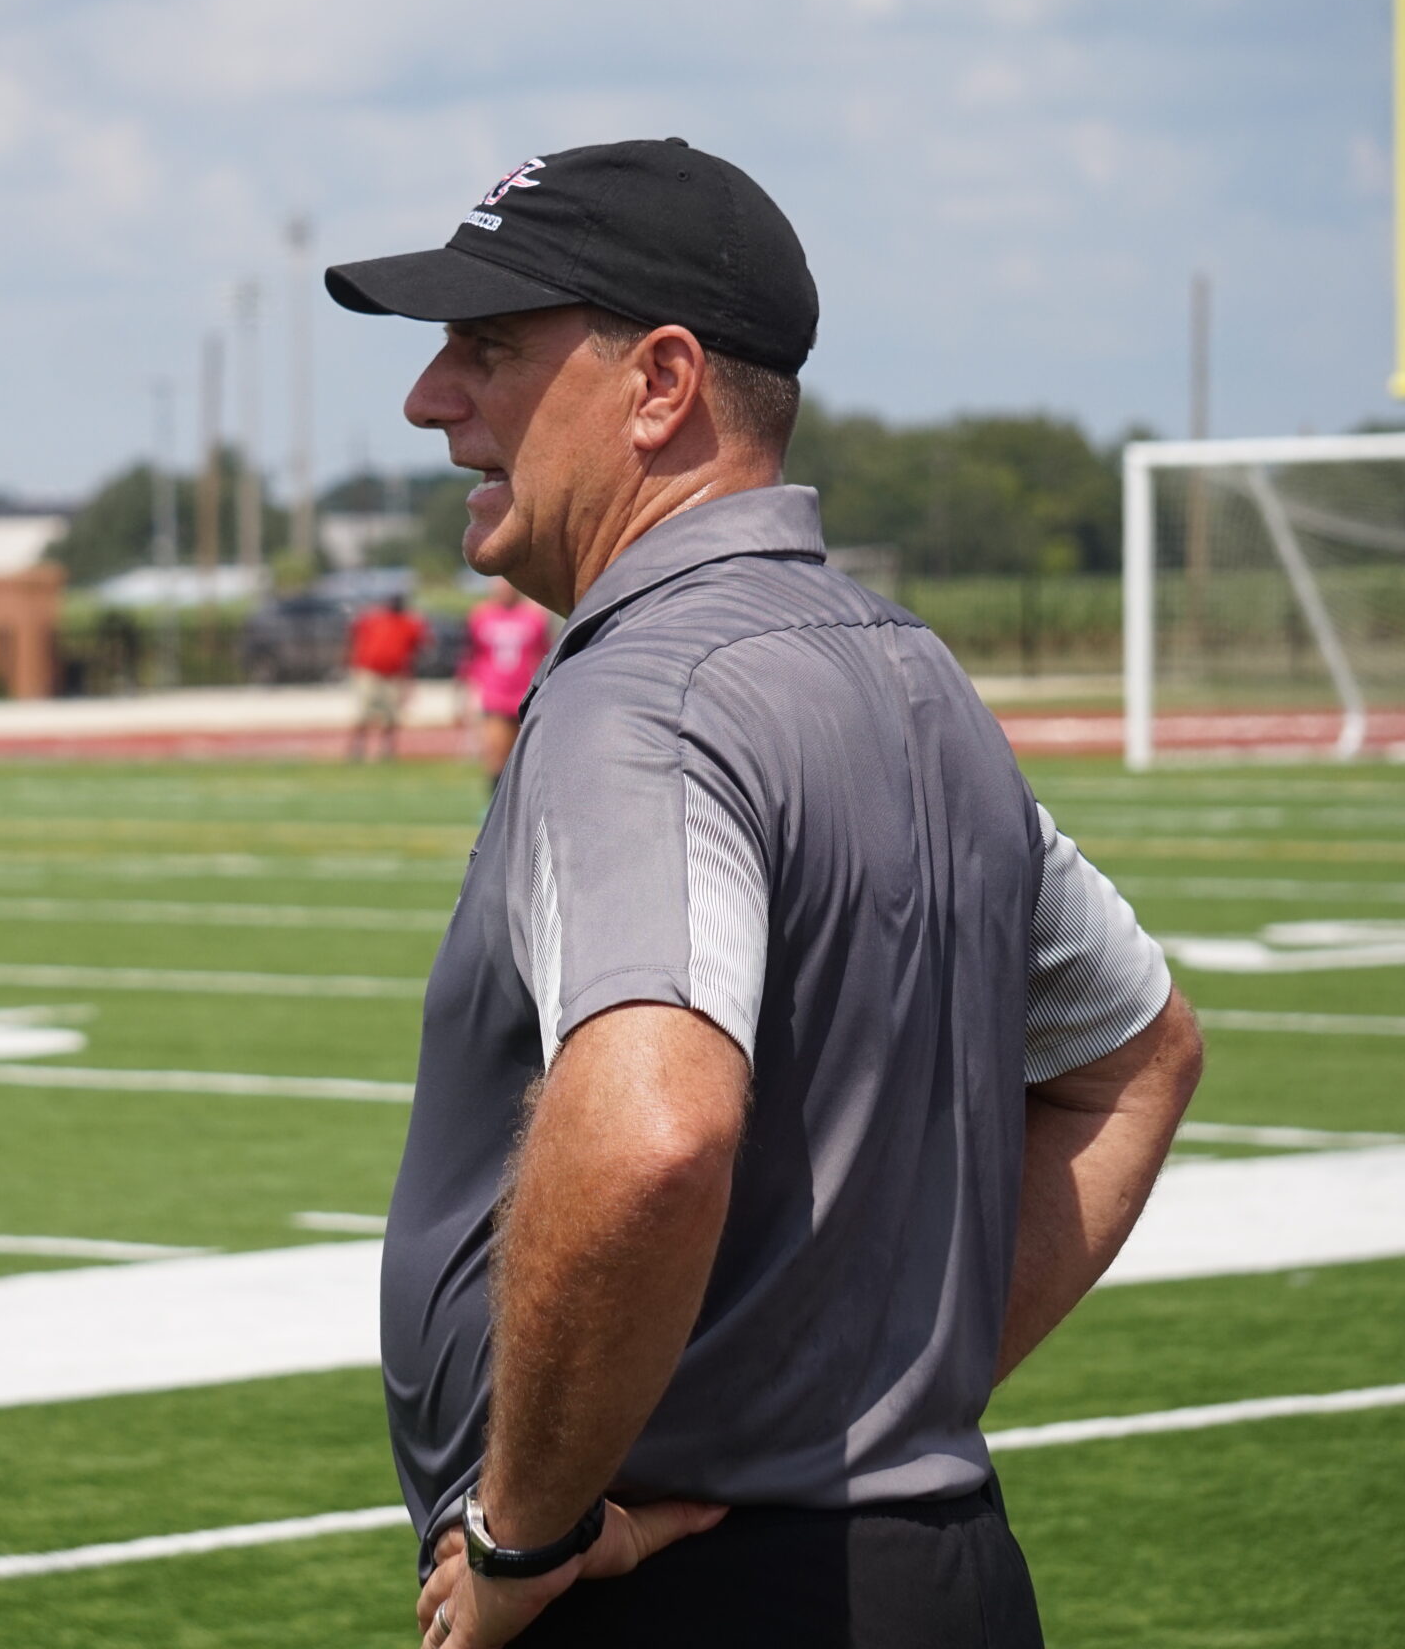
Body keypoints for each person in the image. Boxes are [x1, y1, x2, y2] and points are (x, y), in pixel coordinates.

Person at [324, 138, 1202, 1648]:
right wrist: (874, 1422)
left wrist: (521, 1539)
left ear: (661, 383)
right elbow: (1140, 1058)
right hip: (939, 1574)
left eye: (488, 348)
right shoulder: (913, 673)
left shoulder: (643, 696)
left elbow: (655, 1136)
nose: (430, 399)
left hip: (688, 1597)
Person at [458, 577, 550, 791]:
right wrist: (466, 688)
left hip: (524, 694)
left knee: (523, 758)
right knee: (495, 752)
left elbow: (545, 653)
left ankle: (521, 810)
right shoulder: (480, 616)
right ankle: (494, 807)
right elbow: (469, 655)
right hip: (495, 693)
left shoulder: (534, 617)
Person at [347, 592, 429, 762]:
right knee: (364, 712)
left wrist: (409, 678)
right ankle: (357, 749)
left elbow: (415, 650)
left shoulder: (409, 623)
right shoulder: (373, 619)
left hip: (395, 674)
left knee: (391, 715)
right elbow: (354, 637)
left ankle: (387, 751)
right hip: (370, 671)